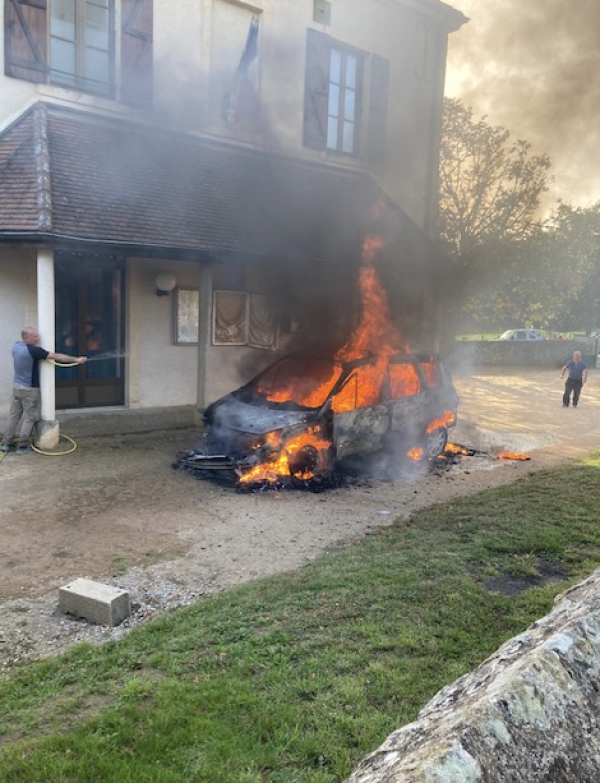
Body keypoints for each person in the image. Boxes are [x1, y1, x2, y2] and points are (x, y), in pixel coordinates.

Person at [1, 327, 87, 455]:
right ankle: (23, 446)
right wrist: (76, 359)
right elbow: (57, 356)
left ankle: (7, 443)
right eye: (35, 336)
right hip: (29, 389)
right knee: (31, 417)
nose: (38, 338)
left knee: (14, 415)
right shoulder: (34, 351)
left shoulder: (17, 346)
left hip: (17, 387)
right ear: (27, 338)